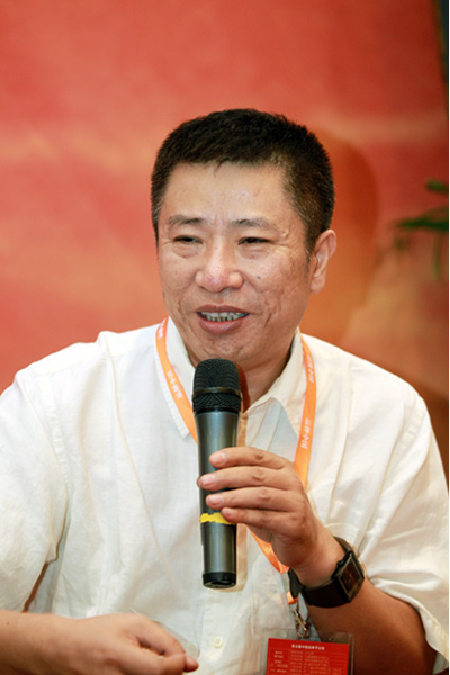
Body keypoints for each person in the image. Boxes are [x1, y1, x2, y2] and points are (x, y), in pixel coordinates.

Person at [0, 108, 448, 675]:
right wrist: (61, 649)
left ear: (318, 260)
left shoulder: (386, 416)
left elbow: (413, 662)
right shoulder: (59, 402)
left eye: (252, 240)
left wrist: (318, 556)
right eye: (187, 238)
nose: (215, 275)